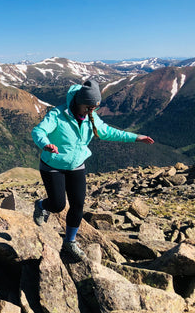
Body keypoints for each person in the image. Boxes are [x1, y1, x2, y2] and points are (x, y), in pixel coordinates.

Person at [31, 79, 154, 260]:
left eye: (94, 107)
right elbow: (38, 131)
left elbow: (109, 132)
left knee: (78, 206)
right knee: (58, 205)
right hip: (53, 165)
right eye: (88, 107)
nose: (91, 111)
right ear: (78, 102)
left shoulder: (91, 117)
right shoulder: (57, 115)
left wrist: (137, 137)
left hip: (77, 165)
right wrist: (45, 144)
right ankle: (41, 205)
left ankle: (69, 242)